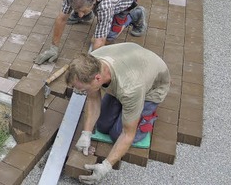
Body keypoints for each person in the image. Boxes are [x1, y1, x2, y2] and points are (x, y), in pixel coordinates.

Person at [65, 43, 170, 184]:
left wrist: (106, 165)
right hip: (132, 66)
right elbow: (92, 98)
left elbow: (128, 134)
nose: (81, 92)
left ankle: (145, 115)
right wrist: (86, 133)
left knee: (117, 134)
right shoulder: (92, 62)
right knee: (102, 126)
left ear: (97, 78)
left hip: (152, 88)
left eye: (83, 89)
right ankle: (127, 106)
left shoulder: (130, 89)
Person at [34, 0, 147, 64]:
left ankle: (134, 15)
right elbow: (61, 18)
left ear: (94, 1)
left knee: (105, 39)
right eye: (77, 11)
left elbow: (100, 40)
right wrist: (54, 47)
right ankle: (87, 13)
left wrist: (90, 65)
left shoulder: (105, 5)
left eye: (83, 11)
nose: (80, 15)